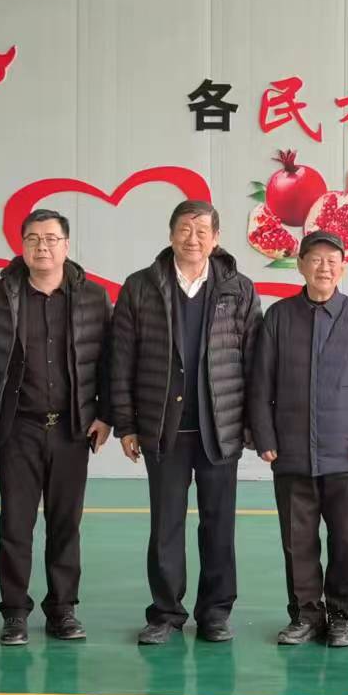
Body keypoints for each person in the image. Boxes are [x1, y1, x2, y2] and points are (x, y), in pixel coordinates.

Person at [111, 200, 260, 645]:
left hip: (220, 429)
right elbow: (121, 360)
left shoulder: (238, 289)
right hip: (163, 428)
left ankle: (215, 613)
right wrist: (126, 424)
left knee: (219, 526)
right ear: (171, 233)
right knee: (166, 526)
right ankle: (165, 613)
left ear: (216, 239)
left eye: (202, 231)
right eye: (184, 229)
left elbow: (254, 362)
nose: (192, 239)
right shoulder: (141, 287)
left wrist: (252, 426)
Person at [0, 208, 112, 646]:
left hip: (72, 428)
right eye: (33, 238)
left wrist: (105, 414)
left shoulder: (92, 297)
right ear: (22, 246)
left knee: (65, 523)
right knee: (15, 524)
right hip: (19, 429)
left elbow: (109, 359)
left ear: (66, 246)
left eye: (51, 238)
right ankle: (14, 612)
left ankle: (62, 609)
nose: (42, 246)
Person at [248, 230, 348, 647]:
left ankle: (343, 617)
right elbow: (261, 384)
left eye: (332, 260)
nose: (323, 267)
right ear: (301, 265)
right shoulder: (279, 317)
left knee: (347, 541)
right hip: (291, 451)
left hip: (347, 453)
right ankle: (305, 615)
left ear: (343, 268)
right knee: (297, 541)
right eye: (315, 259)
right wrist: (264, 436)